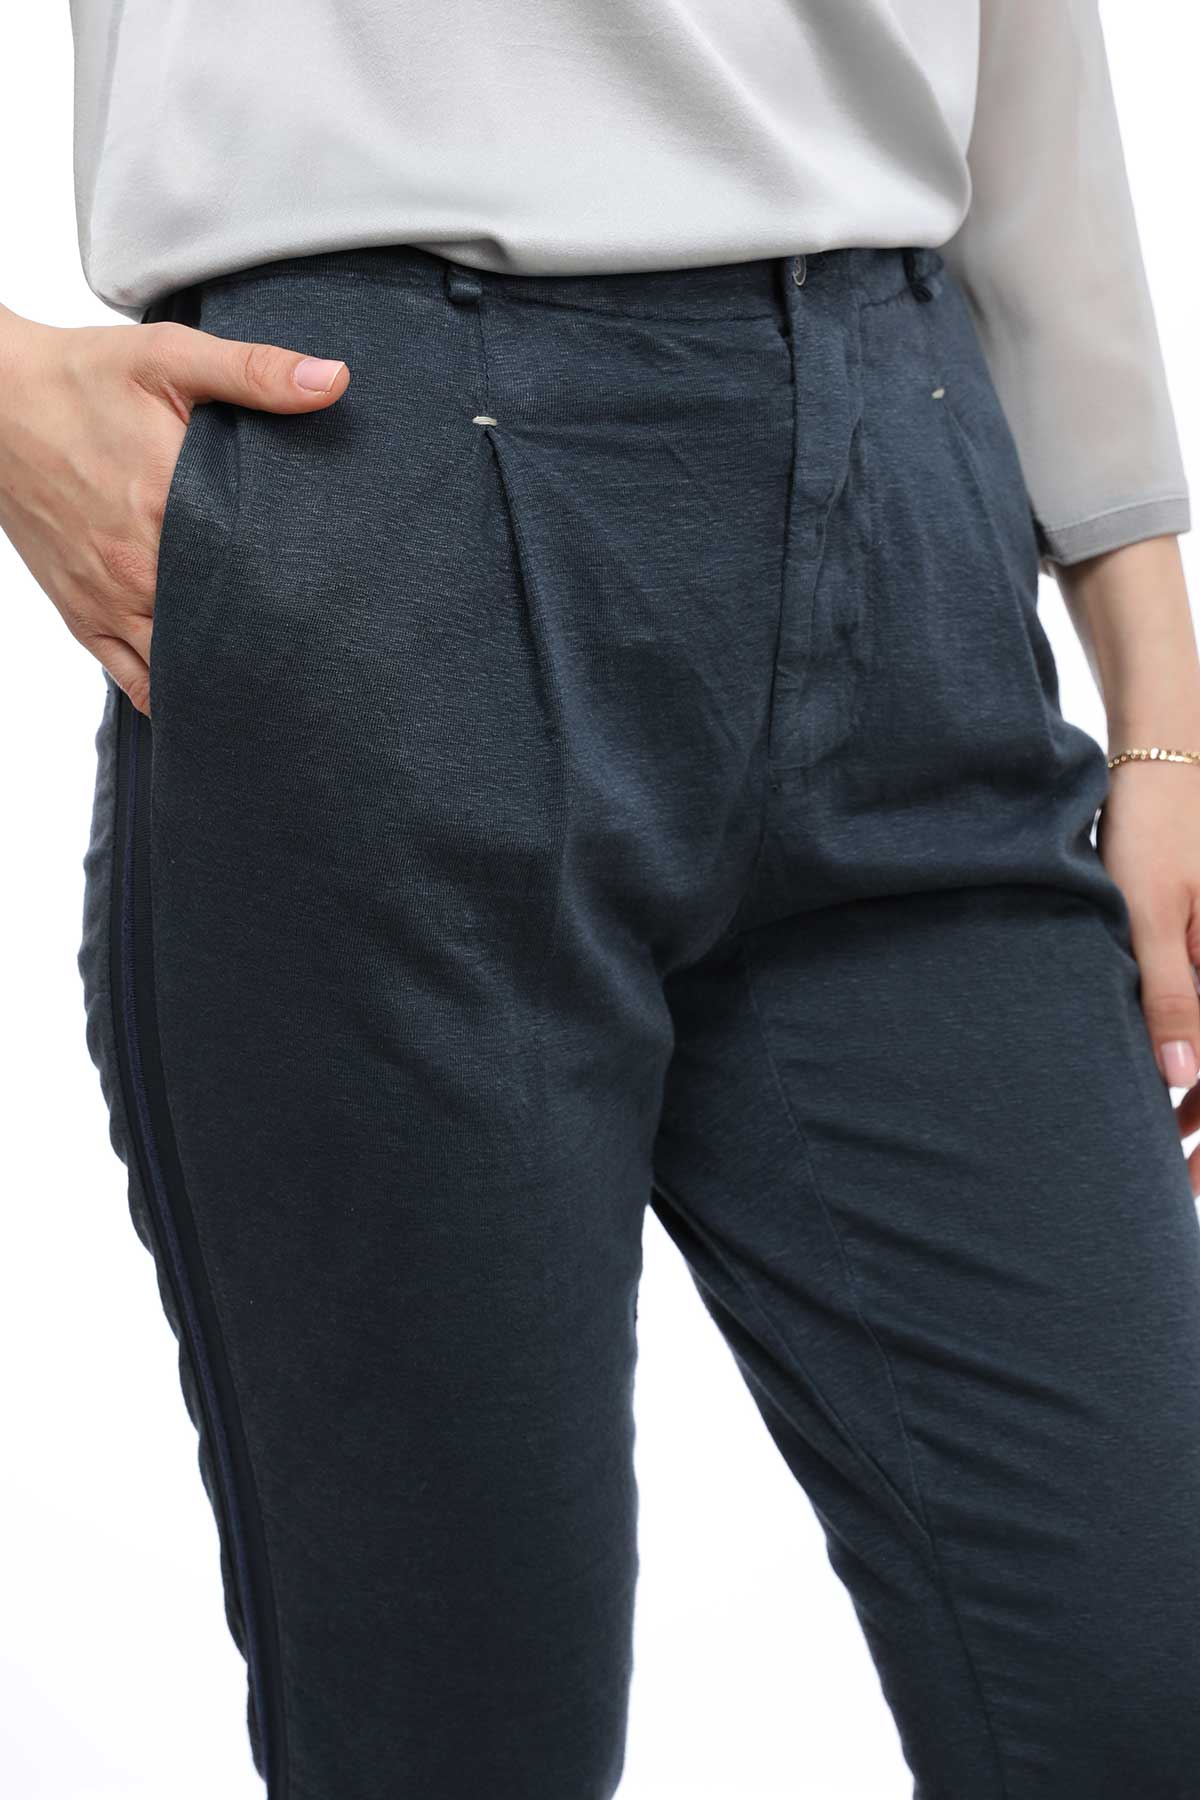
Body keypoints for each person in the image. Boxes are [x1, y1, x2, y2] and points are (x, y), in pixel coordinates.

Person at [3, 4, 1200, 1796]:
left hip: (917, 527)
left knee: (1146, 1681)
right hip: (380, 519)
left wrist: (1163, 708)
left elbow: (1030, 60)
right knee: (458, 1738)